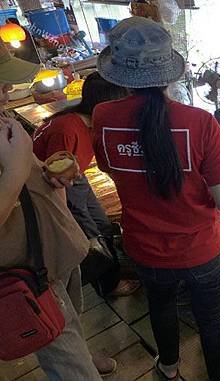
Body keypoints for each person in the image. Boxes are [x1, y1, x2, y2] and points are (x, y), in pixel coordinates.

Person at [92, 17, 220, 380]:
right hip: (201, 249)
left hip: (143, 247)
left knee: (160, 306)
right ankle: (219, 374)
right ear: (170, 73)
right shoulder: (199, 122)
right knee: (211, 316)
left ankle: (169, 367)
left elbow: (111, 169)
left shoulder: (102, 116)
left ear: (119, 73)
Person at [0, 43, 102, 380]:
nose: (7, 92)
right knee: (67, 358)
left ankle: (83, 352)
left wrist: (49, 172)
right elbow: (16, 172)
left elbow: (31, 166)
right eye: (0, 83)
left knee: (72, 319)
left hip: (54, 244)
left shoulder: (4, 118)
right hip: (26, 270)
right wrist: (16, 171)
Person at [32, 71, 141, 298]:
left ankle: (113, 265)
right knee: (91, 235)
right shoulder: (67, 129)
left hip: (76, 178)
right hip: (58, 188)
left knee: (101, 223)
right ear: (106, 104)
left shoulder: (89, 123)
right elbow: (54, 177)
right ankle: (107, 283)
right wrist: (64, 218)